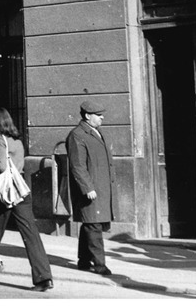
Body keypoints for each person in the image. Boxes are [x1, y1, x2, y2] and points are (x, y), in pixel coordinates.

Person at [0, 107, 54, 292]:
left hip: (4, 195)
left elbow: (2, 167)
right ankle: (44, 278)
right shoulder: (17, 140)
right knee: (31, 235)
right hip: (21, 192)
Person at [67, 99, 115, 276]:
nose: (102, 117)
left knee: (90, 223)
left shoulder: (96, 132)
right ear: (88, 116)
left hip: (100, 186)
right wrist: (87, 187)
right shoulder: (77, 135)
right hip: (91, 188)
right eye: (98, 115)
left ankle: (84, 261)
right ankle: (100, 264)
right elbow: (77, 165)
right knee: (93, 224)